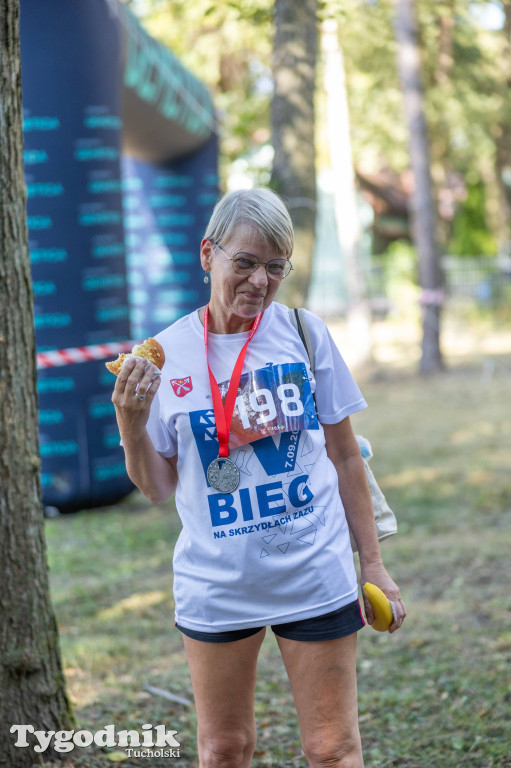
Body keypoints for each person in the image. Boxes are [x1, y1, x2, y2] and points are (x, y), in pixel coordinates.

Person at [112, 187, 406, 768]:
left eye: (276, 267)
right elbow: (156, 487)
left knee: (332, 749)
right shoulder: (164, 356)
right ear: (207, 255)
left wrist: (372, 564)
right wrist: (131, 422)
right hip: (217, 585)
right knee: (224, 749)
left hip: (314, 575)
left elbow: (348, 459)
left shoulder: (303, 333)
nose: (259, 281)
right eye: (244, 262)